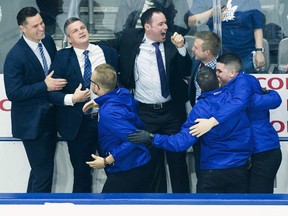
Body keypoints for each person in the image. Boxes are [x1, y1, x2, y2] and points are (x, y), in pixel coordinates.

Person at [103, 8, 191, 193]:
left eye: (166, 23)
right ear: (147, 27)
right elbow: (105, 45)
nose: (166, 27)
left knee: (177, 161)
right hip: (145, 113)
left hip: (171, 112)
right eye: (161, 24)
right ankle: (156, 204)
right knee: (151, 163)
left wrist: (182, 48)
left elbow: (185, 70)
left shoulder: (173, 42)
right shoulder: (130, 37)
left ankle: (183, 204)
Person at [128, 66, 254, 193]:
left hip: (212, 171)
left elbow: (180, 143)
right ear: (218, 80)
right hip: (240, 168)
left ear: (199, 88)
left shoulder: (199, 111)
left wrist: (152, 137)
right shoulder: (236, 98)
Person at [190, 53, 282, 193]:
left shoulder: (243, 83)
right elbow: (273, 99)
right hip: (246, 156)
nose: (217, 75)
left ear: (232, 73)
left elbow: (244, 102)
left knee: (258, 202)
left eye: (219, 71)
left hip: (263, 151)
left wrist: (211, 122)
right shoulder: (228, 90)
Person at [48, 17, 118, 193]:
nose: (81, 31)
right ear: (69, 39)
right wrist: (72, 99)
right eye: (75, 30)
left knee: (116, 170)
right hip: (79, 125)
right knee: (81, 174)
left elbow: (120, 85)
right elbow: (52, 93)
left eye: (82, 27)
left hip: (107, 122)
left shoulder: (107, 52)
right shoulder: (62, 57)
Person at [3, 7, 67, 192]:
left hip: (50, 119)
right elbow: (13, 93)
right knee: (43, 172)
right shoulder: (15, 56)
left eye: (41, 23)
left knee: (41, 171)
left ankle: (29, 207)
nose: (41, 28)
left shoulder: (46, 41)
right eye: (35, 26)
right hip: (31, 124)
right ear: (22, 29)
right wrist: (44, 86)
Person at [83, 63, 151, 193]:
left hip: (127, 168)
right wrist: (100, 102)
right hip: (138, 163)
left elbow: (133, 139)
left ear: (96, 86)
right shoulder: (123, 93)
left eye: (91, 81)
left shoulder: (109, 112)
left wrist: (106, 160)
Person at [184, 0, 265, 74]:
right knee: (214, 88)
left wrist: (259, 51)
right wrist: (211, 13)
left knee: (242, 87)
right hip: (213, 56)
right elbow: (191, 22)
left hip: (244, 56)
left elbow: (257, 26)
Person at [187, 30, 221, 179]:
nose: (192, 49)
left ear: (207, 52)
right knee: (200, 166)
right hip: (197, 122)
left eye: (196, 47)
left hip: (215, 127)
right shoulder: (196, 64)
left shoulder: (222, 71)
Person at [114, 0, 188, 36]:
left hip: (162, 45)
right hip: (134, 45)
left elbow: (181, 26)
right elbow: (119, 28)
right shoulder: (131, 1)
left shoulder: (174, 2)